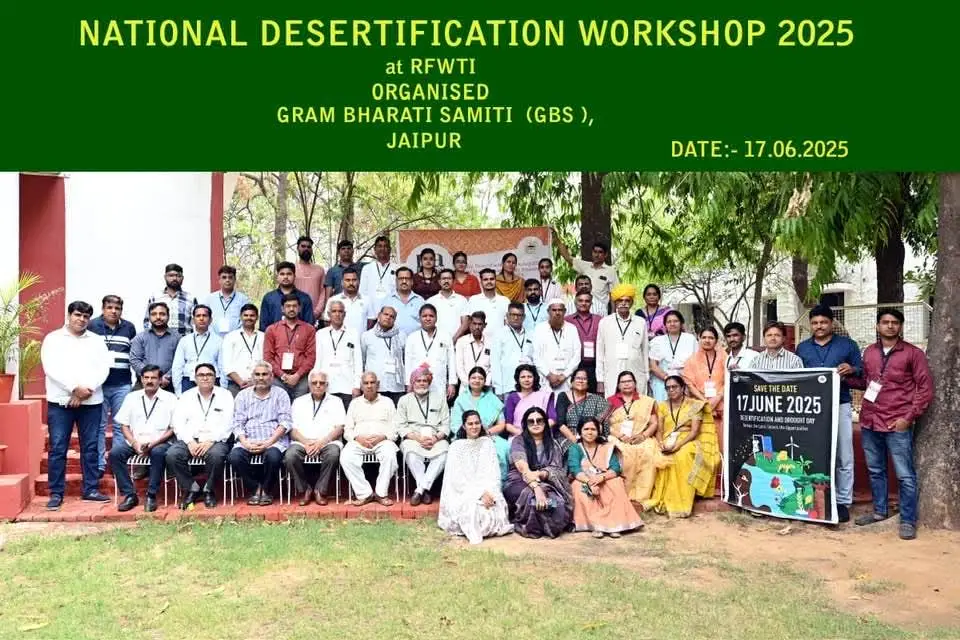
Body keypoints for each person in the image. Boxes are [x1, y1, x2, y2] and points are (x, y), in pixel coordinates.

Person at [850, 308, 932, 540]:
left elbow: (925, 389)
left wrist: (908, 417)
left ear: (900, 326)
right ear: (877, 326)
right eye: (885, 322)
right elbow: (866, 382)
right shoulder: (869, 352)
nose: (890, 326)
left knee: (905, 475)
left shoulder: (913, 353)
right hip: (870, 421)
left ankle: (907, 520)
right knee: (876, 470)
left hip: (897, 422)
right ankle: (879, 512)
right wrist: (842, 377)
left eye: (894, 322)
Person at [40, 301, 112, 510]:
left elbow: (104, 368)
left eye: (85, 316)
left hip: (91, 401)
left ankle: (90, 489)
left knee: (90, 447)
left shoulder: (97, 341)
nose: (81, 319)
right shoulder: (53, 339)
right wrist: (73, 388)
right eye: (77, 315)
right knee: (58, 448)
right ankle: (56, 493)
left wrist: (86, 390)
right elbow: (51, 368)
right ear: (69, 315)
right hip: (60, 402)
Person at [795, 305, 863, 523]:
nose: (819, 326)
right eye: (815, 323)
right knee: (815, 453)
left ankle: (842, 501)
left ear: (832, 323)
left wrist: (852, 369)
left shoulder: (848, 345)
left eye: (823, 322)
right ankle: (816, 497)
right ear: (810, 325)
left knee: (844, 454)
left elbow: (862, 370)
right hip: (812, 408)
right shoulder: (802, 348)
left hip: (840, 404)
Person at [643, 376, 720, 518]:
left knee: (681, 456)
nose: (671, 390)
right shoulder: (662, 406)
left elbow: (694, 432)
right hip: (667, 439)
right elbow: (659, 430)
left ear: (683, 388)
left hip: (688, 440)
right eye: (668, 388)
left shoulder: (695, 405)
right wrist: (661, 443)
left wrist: (678, 445)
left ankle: (681, 505)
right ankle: (665, 498)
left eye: (674, 387)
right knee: (660, 456)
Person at [438, 410, 515, 544]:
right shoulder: (456, 447)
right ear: (464, 426)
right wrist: (480, 494)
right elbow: (457, 480)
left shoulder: (488, 443)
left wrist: (489, 493)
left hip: (488, 491)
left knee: (495, 507)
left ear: (481, 424)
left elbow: (494, 474)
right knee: (473, 510)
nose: (474, 427)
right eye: (470, 424)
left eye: (477, 423)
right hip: (464, 494)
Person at [166, 362, 235, 509]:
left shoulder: (225, 395)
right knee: (172, 455)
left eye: (209, 374)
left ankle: (209, 489)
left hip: (216, 439)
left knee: (216, 455)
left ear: (215, 377)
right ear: (195, 378)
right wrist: (190, 442)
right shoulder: (186, 396)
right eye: (201, 375)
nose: (205, 378)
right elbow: (178, 422)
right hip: (191, 439)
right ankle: (192, 488)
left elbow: (229, 423)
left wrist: (211, 441)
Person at [109, 365, 176, 512]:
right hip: (135, 441)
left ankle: (151, 495)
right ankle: (129, 495)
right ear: (141, 379)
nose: (149, 381)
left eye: (153, 378)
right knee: (115, 453)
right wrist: (134, 443)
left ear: (160, 380)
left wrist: (153, 443)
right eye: (146, 378)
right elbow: (124, 425)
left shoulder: (170, 398)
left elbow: (173, 428)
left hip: (160, 442)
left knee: (158, 453)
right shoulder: (131, 397)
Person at [228, 362, 293, 506]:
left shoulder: (281, 394)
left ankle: (266, 489)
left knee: (273, 457)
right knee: (234, 457)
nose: (261, 378)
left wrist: (268, 442)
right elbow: (237, 423)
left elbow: (285, 422)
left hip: (274, 440)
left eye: (264, 374)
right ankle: (256, 489)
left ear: (271, 376)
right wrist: (245, 442)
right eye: (257, 374)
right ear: (252, 376)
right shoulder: (243, 395)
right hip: (248, 440)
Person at [505, 407, 573, 538]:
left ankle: (548, 528)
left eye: (539, 420)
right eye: (531, 421)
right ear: (526, 424)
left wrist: (541, 474)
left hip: (546, 482)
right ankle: (531, 528)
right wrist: (536, 488)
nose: (535, 424)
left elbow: (557, 469)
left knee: (555, 502)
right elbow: (522, 467)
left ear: (545, 422)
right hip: (518, 481)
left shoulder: (552, 444)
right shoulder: (518, 441)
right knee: (533, 500)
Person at [569, 418, 644, 538]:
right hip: (584, 479)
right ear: (580, 432)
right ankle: (596, 526)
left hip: (603, 478)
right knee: (578, 487)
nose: (589, 432)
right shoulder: (575, 448)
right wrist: (590, 483)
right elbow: (575, 469)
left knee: (616, 482)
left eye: (593, 429)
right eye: (586, 429)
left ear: (598, 431)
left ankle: (615, 525)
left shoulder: (607, 447)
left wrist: (602, 477)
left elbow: (616, 468)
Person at [88, 294, 136, 478]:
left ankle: (118, 465)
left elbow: (133, 353)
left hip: (122, 384)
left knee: (120, 425)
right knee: (99, 426)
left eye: (117, 308)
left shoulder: (129, 327)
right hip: (98, 385)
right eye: (110, 307)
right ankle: (100, 465)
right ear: (103, 309)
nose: (113, 311)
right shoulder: (92, 326)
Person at [285, 371, 345, 506]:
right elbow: (292, 429)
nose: (318, 385)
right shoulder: (298, 402)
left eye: (321, 383)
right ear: (309, 385)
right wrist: (306, 442)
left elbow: (339, 428)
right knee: (290, 456)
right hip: (302, 442)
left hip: (327, 441)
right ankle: (305, 489)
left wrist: (321, 443)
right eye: (314, 383)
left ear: (327, 385)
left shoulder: (336, 401)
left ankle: (320, 490)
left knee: (333, 454)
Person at [341, 372, 400, 506]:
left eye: (372, 382)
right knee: (346, 457)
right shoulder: (355, 403)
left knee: (390, 455)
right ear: (361, 386)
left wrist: (383, 437)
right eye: (366, 383)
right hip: (359, 441)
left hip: (382, 441)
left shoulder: (387, 402)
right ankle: (364, 494)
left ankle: (381, 493)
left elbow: (395, 427)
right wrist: (357, 438)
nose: (369, 386)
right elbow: (348, 429)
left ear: (378, 385)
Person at [606, 371, 664, 504]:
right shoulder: (611, 401)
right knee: (622, 453)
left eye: (629, 381)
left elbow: (654, 423)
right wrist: (619, 435)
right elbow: (603, 424)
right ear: (618, 385)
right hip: (617, 437)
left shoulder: (646, 401)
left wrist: (643, 436)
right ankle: (624, 493)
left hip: (640, 437)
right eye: (623, 382)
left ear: (635, 383)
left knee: (648, 452)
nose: (626, 384)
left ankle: (641, 495)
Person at [396, 366, 450, 505]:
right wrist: (418, 438)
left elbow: (445, 425)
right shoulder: (404, 400)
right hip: (413, 438)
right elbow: (401, 426)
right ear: (412, 383)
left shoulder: (440, 398)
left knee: (445, 453)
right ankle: (424, 490)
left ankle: (420, 489)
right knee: (410, 453)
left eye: (425, 381)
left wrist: (436, 438)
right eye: (418, 381)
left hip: (435, 438)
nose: (421, 383)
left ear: (429, 383)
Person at [451, 367, 509, 480]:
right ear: (468, 380)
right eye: (473, 378)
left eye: (480, 378)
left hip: (488, 435)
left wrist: (485, 432)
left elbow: (501, 424)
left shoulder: (493, 399)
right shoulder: (461, 399)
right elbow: (455, 424)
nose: (477, 380)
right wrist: (471, 433)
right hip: (465, 436)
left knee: (503, 447)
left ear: (485, 381)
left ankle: (498, 482)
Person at [596, 284, 649, 396]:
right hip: (612, 372)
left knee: (637, 403)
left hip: (636, 371)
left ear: (632, 303)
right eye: (620, 300)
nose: (623, 303)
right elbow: (600, 352)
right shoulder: (605, 322)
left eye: (627, 300)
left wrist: (647, 376)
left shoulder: (640, 322)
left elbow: (645, 351)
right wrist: (600, 379)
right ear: (615, 303)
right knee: (613, 402)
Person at [263, 293, 316, 401]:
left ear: (299, 308)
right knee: (279, 407)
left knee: (300, 407)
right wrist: (282, 375)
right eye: (288, 306)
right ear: (282, 309)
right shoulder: (271, 330)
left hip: (301, 379)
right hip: (278, 378)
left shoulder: (309, 330)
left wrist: (297, 375)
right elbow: (268, 357)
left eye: (294, 306)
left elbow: (311, 357)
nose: (291, 309)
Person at [683, 327, 727, 451]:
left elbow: (728, 380)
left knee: (721, 441)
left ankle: (721, 463)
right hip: (699, 405)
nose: (707, 340)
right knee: (702, 443)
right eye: (704, 337)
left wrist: (717, 398)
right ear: (699, 339)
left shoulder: (724, 358)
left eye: (711, 338)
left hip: (721, 405)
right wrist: (705, 402)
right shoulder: (691, 360)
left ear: (716, 340)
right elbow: (689, 384)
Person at [315, 300, 363, 409]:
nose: (337, 314)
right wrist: (317, 383)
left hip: (347, 386)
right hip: (327, 386)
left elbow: (358, 361)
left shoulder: (353, 333)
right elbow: (318, 361)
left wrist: (357, 386)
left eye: (340, 311)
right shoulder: (320, 334)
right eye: (334, 311)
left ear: (344, 314)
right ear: (328, 314)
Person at [403, 304, 456, 400]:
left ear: (436, 318)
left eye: (431, 316)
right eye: (424, 316)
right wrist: (408, 383)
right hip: (418, 382)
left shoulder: (445, 336)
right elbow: (408, 362)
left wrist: (452, 383)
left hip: (438, 382)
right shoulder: (412, 337)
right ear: (419, 318)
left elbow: (451, 361)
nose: (428, 319)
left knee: (438, 406)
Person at [554, 235, 618, 315]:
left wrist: (613, 313)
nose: (597, 255)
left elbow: (614, 294)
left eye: (600, 252)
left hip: (599, 311)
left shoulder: (611, 271)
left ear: (605, 255)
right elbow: (567, 257)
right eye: (595, 252)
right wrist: (557, 240)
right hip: (581, 308)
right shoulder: (585, 266)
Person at [171, 305, 226, 395]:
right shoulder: (184, 340)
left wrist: (223, 389)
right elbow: (177, 366)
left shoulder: (219, 341)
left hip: (211, 380)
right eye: (198, 316)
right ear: (193, 320)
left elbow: (222, 366)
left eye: (204, 316)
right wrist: (178, 391)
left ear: (210, 320)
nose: (201, 318)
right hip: (188, 381)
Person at [532, 299, 581, 394]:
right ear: (548, 311)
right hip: (546, 380)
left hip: (567, 379)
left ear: (565, 311)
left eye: (560, 310)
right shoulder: (539, 329)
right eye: (554, 310)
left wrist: (564, 375)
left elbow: (577, 355)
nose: (557, 313)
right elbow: (536, 356)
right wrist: (549, 375)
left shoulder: (572, 329)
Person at [130, 302, 180, 393]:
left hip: (168, 383)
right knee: (133, 400)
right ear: (149, 317)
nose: (158, 317)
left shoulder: (177, 338)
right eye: (154, 314)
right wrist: (150, 376)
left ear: (168, 316)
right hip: (143, 384)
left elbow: (180, 362)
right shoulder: (140, 337)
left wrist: (167, 377)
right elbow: (135, 360)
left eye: (162, 314)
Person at [555, 367, 611, 448]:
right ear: (572, 381)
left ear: (588, 383)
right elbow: (561, 424)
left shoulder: (597, 400)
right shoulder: (563, 396)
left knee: (602, 449)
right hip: (568, 436)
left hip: (591, 436)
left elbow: (599, 424)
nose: (581, 381)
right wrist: (576, 441)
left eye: (584, 379)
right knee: (573, 450)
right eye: (578, 378)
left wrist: (590, 439)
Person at [361, 306, 406, 405]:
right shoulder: (367, 336)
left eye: (392, 316)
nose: (388, 317)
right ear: (379, 315)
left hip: (396, 386)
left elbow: (404, 360)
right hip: (375, 386)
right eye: (386, 314)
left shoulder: (401, 336)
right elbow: (363, 360)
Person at [648, 310, 697, 401]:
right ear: (665, 325)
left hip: (685, 380)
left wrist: (683, 381)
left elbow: (696, 363)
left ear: (681, 323)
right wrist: (667, 379)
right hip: (662, 380)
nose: (672, 324)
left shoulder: (690, 339)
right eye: (669, 322)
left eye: (675, 321)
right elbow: (653, 366)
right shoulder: (657, 341)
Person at [490, 303, 535, 397]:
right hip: (508, 386)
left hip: (528, 387)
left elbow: (534, 359)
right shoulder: (499, 335)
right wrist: (498, 389)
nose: (516, 318)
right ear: (507, 316)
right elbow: (495, 363)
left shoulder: (530, 334)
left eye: (519, 315)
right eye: (513, 315)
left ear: (524, 317)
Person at [222, 303, 265, 396]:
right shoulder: (230, 337)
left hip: (259, 384)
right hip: (235, 385)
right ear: (240, 317)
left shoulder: (263, 337)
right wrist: (240, 382)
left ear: (257, 317)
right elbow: (226, 365)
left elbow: (266, 362)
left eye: (252, 315)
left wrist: (255, 381)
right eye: (246, 315)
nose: (249, 318)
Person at [143, 263, 197, 336]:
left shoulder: (190, 299)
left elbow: (196, 323)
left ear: (182, 278)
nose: (174, 278)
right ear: (165, 277)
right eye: (171, 275)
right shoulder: (155, 297)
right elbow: (147, 321)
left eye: (178, 276)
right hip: (159, 339)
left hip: (184, 339)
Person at [259, 261, 315, 331]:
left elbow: (309, 325)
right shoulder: (268, 298)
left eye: (289, 274)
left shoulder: (304, 298)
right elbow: (263, 325)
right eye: (282, 274)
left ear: (294, 276)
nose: (285, 277)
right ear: (277, 277)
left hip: (299, 336)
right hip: (274, 337)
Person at [566, 292, 603, 392]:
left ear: (591, 303)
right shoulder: (567, 320)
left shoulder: (599, 320)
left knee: (593, 396)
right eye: (580, 301)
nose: (583, 303)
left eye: (587, 301)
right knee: (576, 395)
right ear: (575, 302)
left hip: (594, 365)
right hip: (575, 365)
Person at [503, 364, 557, 433]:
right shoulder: (512, 397)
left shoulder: (544, 396)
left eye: (529, 377)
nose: (526, 380)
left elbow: (552, 419)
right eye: (523, 377)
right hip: (519, 435)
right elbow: (508, 425)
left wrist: (537, 431)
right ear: (518, 379)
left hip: (542, 434)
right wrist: (524, 435)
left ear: (534, 378)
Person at [202, 265, 250, 338]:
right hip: (213, 338)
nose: (227, 280)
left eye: (230, 277)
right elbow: (204, 318)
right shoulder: (209, 299)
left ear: (235, 280)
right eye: (224, 277)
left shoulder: (243, 300)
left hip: (236, 339)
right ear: (219, 280)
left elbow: (245, 320)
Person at [359, 235, 401, 316]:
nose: (382, 249)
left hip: (391, 315)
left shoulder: (397, 268)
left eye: (385, 246)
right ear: (375, 249)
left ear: (390, 249)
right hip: (370, 314)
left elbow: (400, 294)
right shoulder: (367, 268)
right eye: (380, 246)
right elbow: (362, 293)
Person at [427, 268, 470, 343]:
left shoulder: (462, 300)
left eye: (449, 278)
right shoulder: (431, 301)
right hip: (436, 343)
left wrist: (454, 340)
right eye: (443, 279)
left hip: (458, 342)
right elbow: (428, 323)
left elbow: (465, 324)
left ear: (453, 281)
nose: (446, 281)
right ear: (439, 282)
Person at [325, 266, 370, 337]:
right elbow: (327, 323)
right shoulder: (333, 300)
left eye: (354, 280)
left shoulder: (367, 300)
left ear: (359, 282)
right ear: (342, 282)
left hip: (361, 341)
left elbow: (371, 323)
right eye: (347, 280)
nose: (351, 283)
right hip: (339, 341)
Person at [384, 266, 425, 339]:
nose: (404, 281)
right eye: (401, 279)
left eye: (407, 279)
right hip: (392, 341)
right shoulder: (387, 300)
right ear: (396, 281)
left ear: (412, 281)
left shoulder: (420, 301)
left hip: (415, 342)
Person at [468, 268, 510, 339]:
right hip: (479, 341)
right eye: (485, 279)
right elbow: (470, 324)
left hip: (500, 341)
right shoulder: (473, 300)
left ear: (495, 281)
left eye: (492, 279)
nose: (489, 282)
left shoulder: (505, 300)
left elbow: (507, 324)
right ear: (481, 282)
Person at [455, 311, 492, 387]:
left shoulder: (491, 343)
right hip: (466, 387)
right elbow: (459, 367)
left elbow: (493, 367)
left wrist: (485, 383)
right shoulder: (461, 342)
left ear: (485, 325)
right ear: (470, 324)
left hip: (485, 387)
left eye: (480, 324)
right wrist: (469, 384)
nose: (477, 327)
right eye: (474, 324)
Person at [294, 235, 327, 321]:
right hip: (294, 316)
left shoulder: (320, 270)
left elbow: (323, 292)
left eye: (309, 247)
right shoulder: (291, 270)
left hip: (315, 317)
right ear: (297, 248)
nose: (306, 249)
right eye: (303, 246)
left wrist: (317, 312)